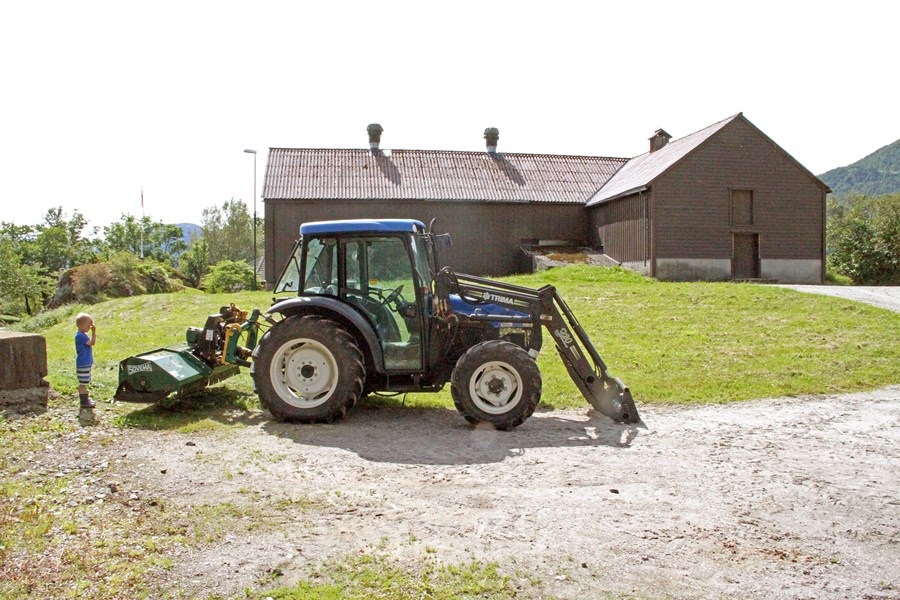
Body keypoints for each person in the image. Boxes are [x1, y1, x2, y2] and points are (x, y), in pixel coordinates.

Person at [75, 313, 97, 409]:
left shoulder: (82, 335)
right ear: (80, 325)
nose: (89, 328)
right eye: (88, 326)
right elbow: (92, 342)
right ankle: (84, 401)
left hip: (85, 362)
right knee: (83, 383)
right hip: (83, 363)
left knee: (85, 381)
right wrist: (94, 332)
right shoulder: (81, 336)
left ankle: (85, 399)